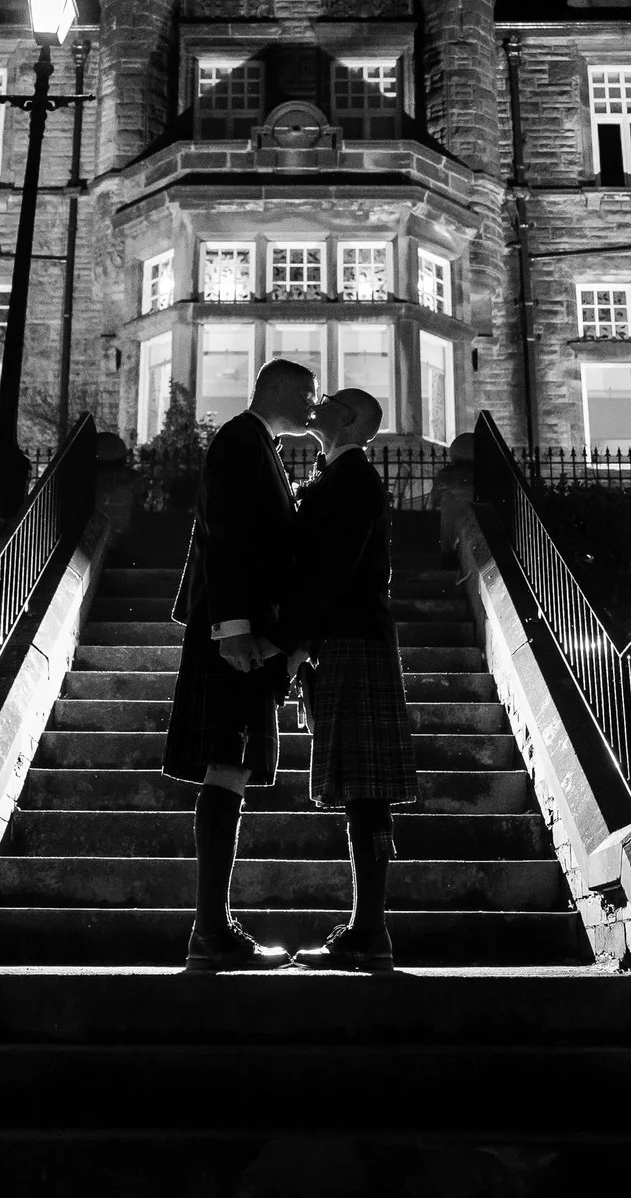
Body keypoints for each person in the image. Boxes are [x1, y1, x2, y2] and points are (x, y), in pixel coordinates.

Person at [161, 358, 316, 970]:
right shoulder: (239, 438)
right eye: (307, 393)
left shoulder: (261, 446)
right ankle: (211, 933)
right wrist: (232, 627)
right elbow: (223, 535)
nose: (313, 403)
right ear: (275, 388)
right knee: (226, 766)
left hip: (246, 632)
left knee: (233, 768)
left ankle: (212, 931)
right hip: (234, 635)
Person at [277, 388, 415, 972]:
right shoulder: (336, 475)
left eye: (331, 400)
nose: (318, 404)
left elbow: (330, 570)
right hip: (348, 640)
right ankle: (368, 930)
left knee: (365, 787)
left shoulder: (354, 479)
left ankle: (369, 931)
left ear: (352, 420)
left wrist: (298, 640)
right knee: (361, 785)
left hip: (351, 639)